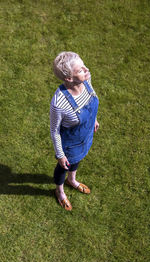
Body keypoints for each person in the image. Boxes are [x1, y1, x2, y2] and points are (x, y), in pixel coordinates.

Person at [50, 51, 99, 211]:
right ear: (69, 79)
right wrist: (60, 154)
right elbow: (55, 131)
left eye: (83, 65)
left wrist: (94, 119)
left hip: (86, 136)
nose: (86, 70)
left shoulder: (86, 79)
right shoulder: (59, 103)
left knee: (78, 159)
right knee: (63, 167)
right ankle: (60, 191)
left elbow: (92, 100)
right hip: (70, 144)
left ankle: (72, 180)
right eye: (80, 70)